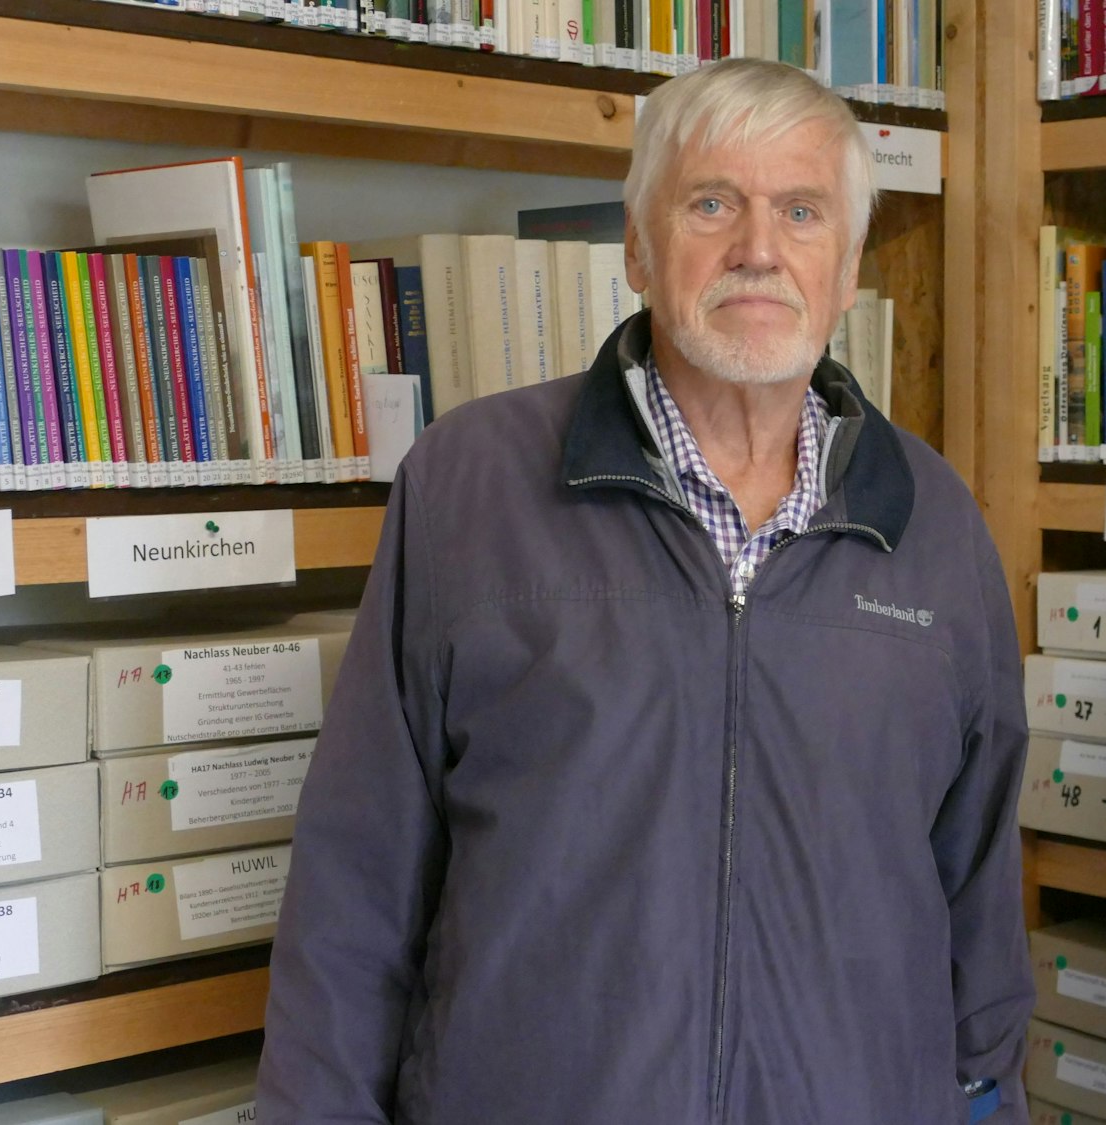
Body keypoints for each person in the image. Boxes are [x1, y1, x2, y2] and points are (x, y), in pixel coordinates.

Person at [258, 58, 1033, 1125]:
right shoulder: (468, 484)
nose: (757, 249)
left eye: (801, 211)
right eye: (711, 203)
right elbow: (356, 878)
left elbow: (976, 886)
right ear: (635, 246)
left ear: (847, 266)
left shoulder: (932, 518)